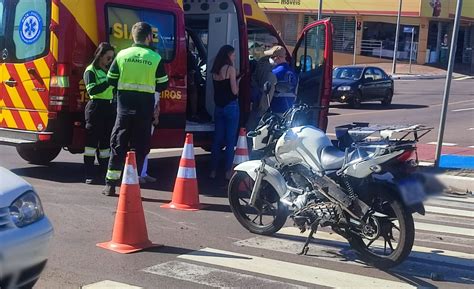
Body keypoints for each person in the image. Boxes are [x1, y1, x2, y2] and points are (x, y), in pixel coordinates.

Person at [103, 22, 168, 196]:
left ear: (133, 36)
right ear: (148, 37)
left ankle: (110, 184)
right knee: (141, 147)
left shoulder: (122, 55)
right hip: (144, 111)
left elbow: (110, 79)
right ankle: (133, 183)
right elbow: (163, 84)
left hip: (124, 109)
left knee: (118, 144)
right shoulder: (155, 58)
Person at [83, 42, 116, 184]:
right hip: (96, 107)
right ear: (100, 56)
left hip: (109, 107)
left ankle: (104, 172)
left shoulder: (107, 70)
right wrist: (109, 82)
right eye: (108, 58)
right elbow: (92, 91)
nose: (110, 61)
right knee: (91, 144)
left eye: (112, 58)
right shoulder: (91, 71)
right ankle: (88, 173)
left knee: (105, 144)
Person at [209, 45, 240, 180]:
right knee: (230, 140)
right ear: (228, 55)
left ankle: (213, 170)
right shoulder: (230, 69)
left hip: (219, 107)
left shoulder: (215, 70)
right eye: (233, 55)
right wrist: (238, 81)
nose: (234, 57)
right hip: (231, 106)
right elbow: (234, 91)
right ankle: (228, 171)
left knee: (217, 140)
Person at [264, 45, 297, 115]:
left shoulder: (274, 72)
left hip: (275, 110)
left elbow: (266, 93)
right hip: (289, 110)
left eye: (271, 57)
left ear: (278, 57)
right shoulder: (293, 72)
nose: (270, 59)